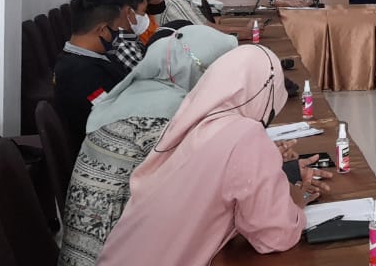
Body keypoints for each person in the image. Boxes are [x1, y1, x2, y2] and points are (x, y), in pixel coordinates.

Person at [97, 45, 320, 265]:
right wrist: (296, 199)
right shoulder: (245, 134)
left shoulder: (193, 122)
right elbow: (275, 235)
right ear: (268, 91)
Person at [58, 25, 239, 266]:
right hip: (113, 254)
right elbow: (199, 195)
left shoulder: (142, 93)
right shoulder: (163, 119)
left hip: (98, 245)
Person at [53, 0, 131, 148]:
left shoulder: (93, 56)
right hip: (105, 146)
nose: (118, 35)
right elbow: (114, 118)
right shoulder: (80, 74)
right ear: (102, 30)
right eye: (116, 29)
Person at [105, 0, 151, 70]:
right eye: (143, 11)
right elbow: (147, 74)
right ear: (129, 12)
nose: (145, 16)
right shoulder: (123, 47)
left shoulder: (130, 39)